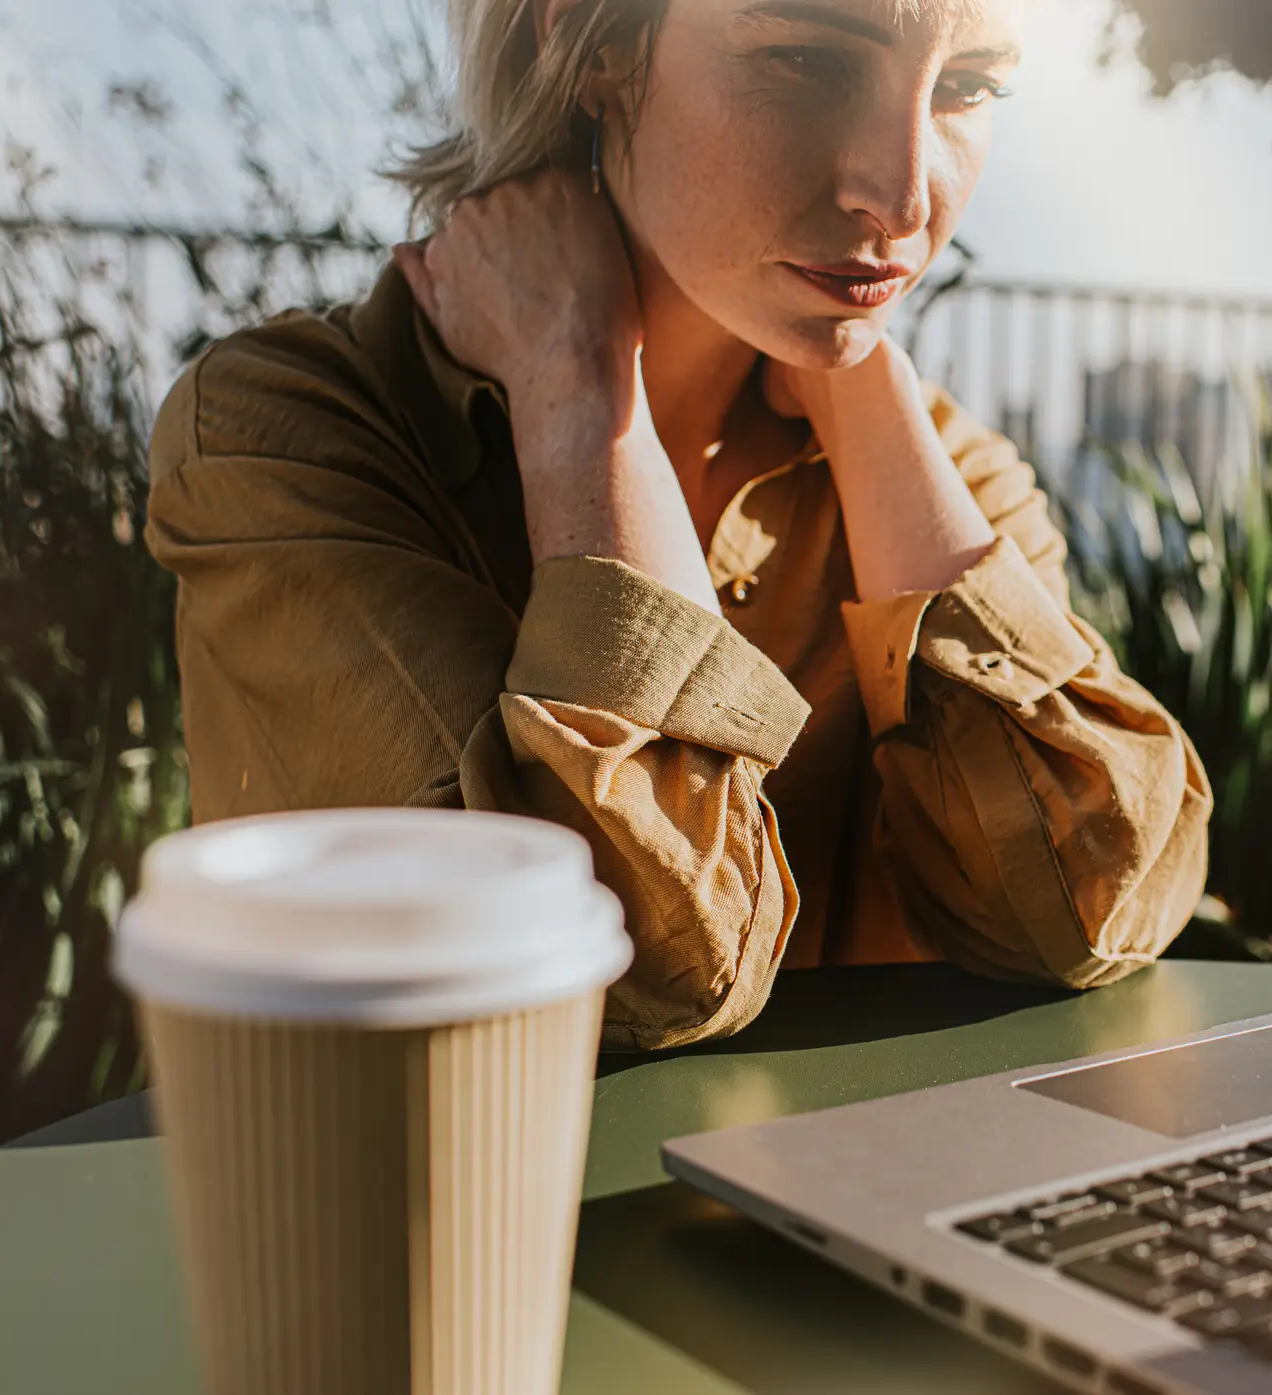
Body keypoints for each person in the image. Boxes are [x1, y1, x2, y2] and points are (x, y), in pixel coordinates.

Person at [144, 0, 1211, 1051]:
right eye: (808, 59)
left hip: (862, 1204)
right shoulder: (284, 439)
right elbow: (649, 975)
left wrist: (865, 384)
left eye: (969, 86)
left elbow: (1089, 908)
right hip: (436, 1214)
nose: (900, 196)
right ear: (596, 45)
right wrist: (579, 390)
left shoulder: (939, 467)